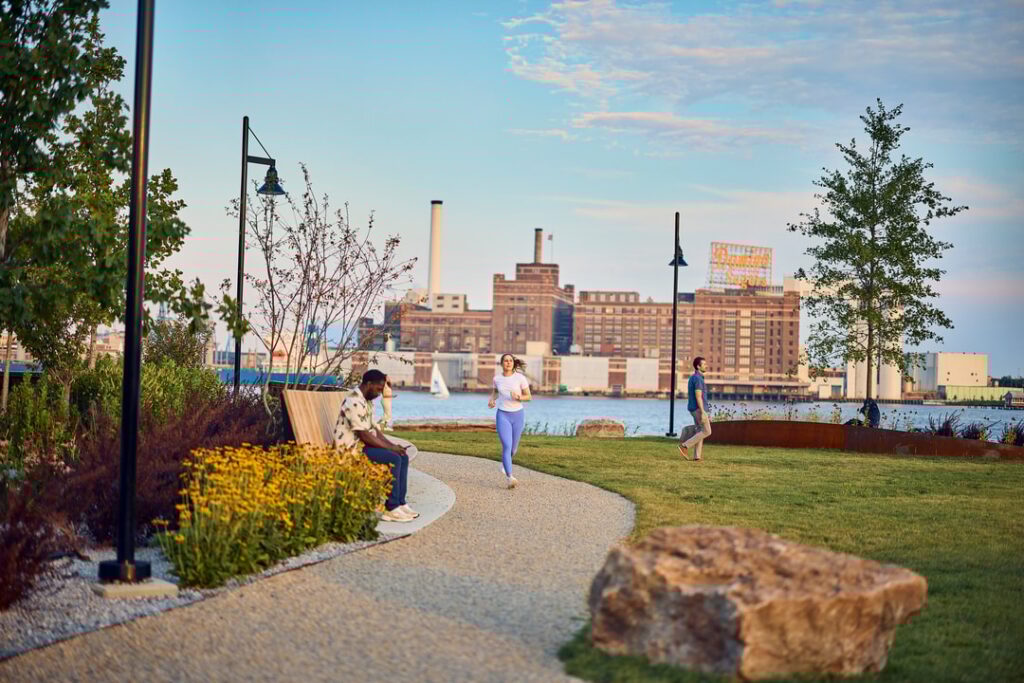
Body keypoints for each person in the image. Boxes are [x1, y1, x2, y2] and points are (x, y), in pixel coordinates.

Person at [333, 369, 418, 522]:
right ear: (368, 383)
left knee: (401, 456)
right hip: (349, 451)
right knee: (394, 459)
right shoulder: (353, 402)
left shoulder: (366, 402)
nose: (379, 393)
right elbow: (364, 435)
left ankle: (400, 503)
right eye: (378, 389)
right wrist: (390, 449)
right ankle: (390, 508)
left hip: (360, 447)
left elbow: (375, 431)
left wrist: (394, 446)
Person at [488, 353, 531, 488]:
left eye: (510, 360)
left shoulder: (520, 378)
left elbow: (529, 397)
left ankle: (505, 464)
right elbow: (495, 392)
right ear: (502, 364)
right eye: (505, 361)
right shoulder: (497, 379)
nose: (508, 362)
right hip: (503, 415)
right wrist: (492, 400)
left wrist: (519, 397)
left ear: (513, 363)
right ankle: (509, 477)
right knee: (506, 446)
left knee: (513, 449)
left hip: (518, 415)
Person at [679, 356, 712, 462]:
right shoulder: (698, 379)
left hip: (693, 408)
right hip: (698, 409)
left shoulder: (694, 377)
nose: (706, 366)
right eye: (704, 364)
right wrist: (703, 412)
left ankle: (697, 456)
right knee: (707, 431)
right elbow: (698, 396)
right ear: (698, 366)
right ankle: (685, 446)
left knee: (700, 431)